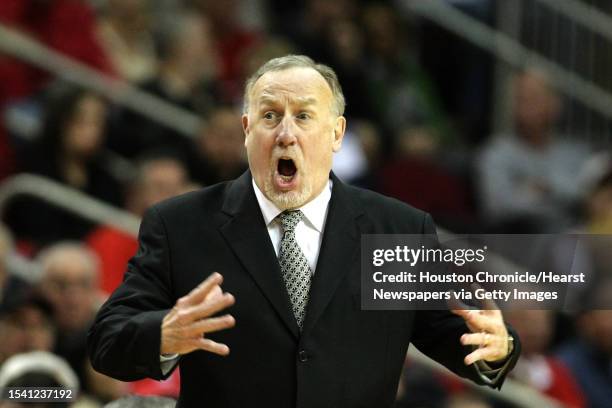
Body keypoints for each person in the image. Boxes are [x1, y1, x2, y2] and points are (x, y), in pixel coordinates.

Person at [88, 55, 520, 407]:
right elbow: (108, 339)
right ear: (246, 130)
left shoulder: (397, 229)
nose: (286, 134)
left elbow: (454, 335)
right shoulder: (180, 224)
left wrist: (496, 348)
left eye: (305, 116)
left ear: (337, 133)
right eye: (271, 116)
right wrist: (162, 334)